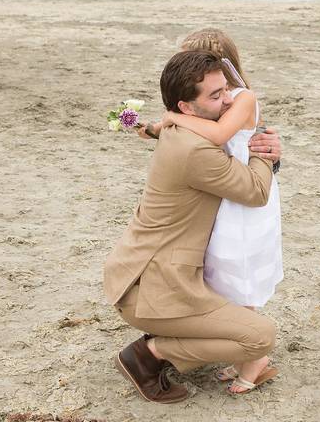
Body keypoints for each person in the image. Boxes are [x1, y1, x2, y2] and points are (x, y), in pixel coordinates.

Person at [103, 50, 282, 404]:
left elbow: (180, 131)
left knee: (241, 323)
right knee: (261, 337)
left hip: (141, 273)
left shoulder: (180, 131)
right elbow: (256, 190)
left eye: (225, 89)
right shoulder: (196, 150)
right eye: (216, 96)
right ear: (186, 108)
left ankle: (162, 342)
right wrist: (263, 151)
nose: (228, 99)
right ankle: (148, 354)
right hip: (151, 289)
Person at [159, 29, 283, 391]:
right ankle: (244, 352)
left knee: (236, 271)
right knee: (223, 272)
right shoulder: (213, 103)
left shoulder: (243, 98)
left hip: (245, 198)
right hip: (226, 194)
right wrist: (153, 126)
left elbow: (214, 137)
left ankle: (254, 358)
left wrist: (173, 117)